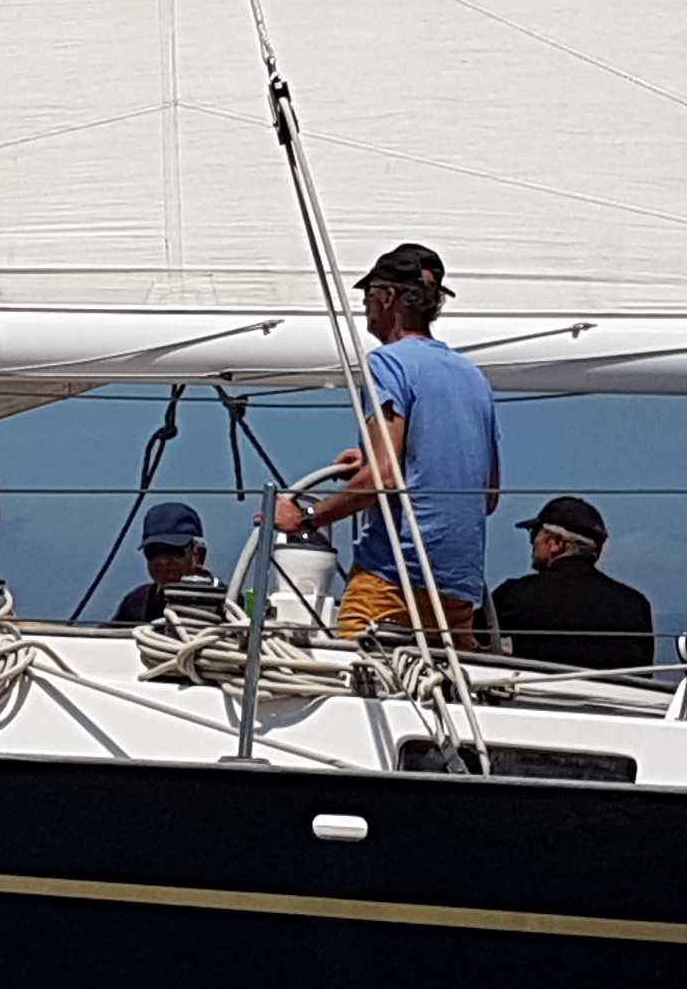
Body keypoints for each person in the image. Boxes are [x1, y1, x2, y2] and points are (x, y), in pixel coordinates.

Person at [273, 243, 497, 641]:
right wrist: (378, 462)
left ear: (388, 297)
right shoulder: (472, 377)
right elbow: (488, 495)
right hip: (456, 588)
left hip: (393, 579)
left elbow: (385, 477)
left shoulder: (386, 363)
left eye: (367, 296)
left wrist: (306, 519)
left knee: (353, 672)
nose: (364, 307)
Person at [488, 493, 659, 674]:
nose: (533, 543)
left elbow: (470, 642)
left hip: (537, 690)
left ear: (557, 543)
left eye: (534, 533)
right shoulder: (636, 605)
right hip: (617, 693)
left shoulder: (516, 596)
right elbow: (643, 674)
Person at [109, 502, 210, 625]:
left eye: (174, 551)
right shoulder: (137, 603)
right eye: (153, 552)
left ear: (199, 555)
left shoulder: (226, 604)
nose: (163, 561)